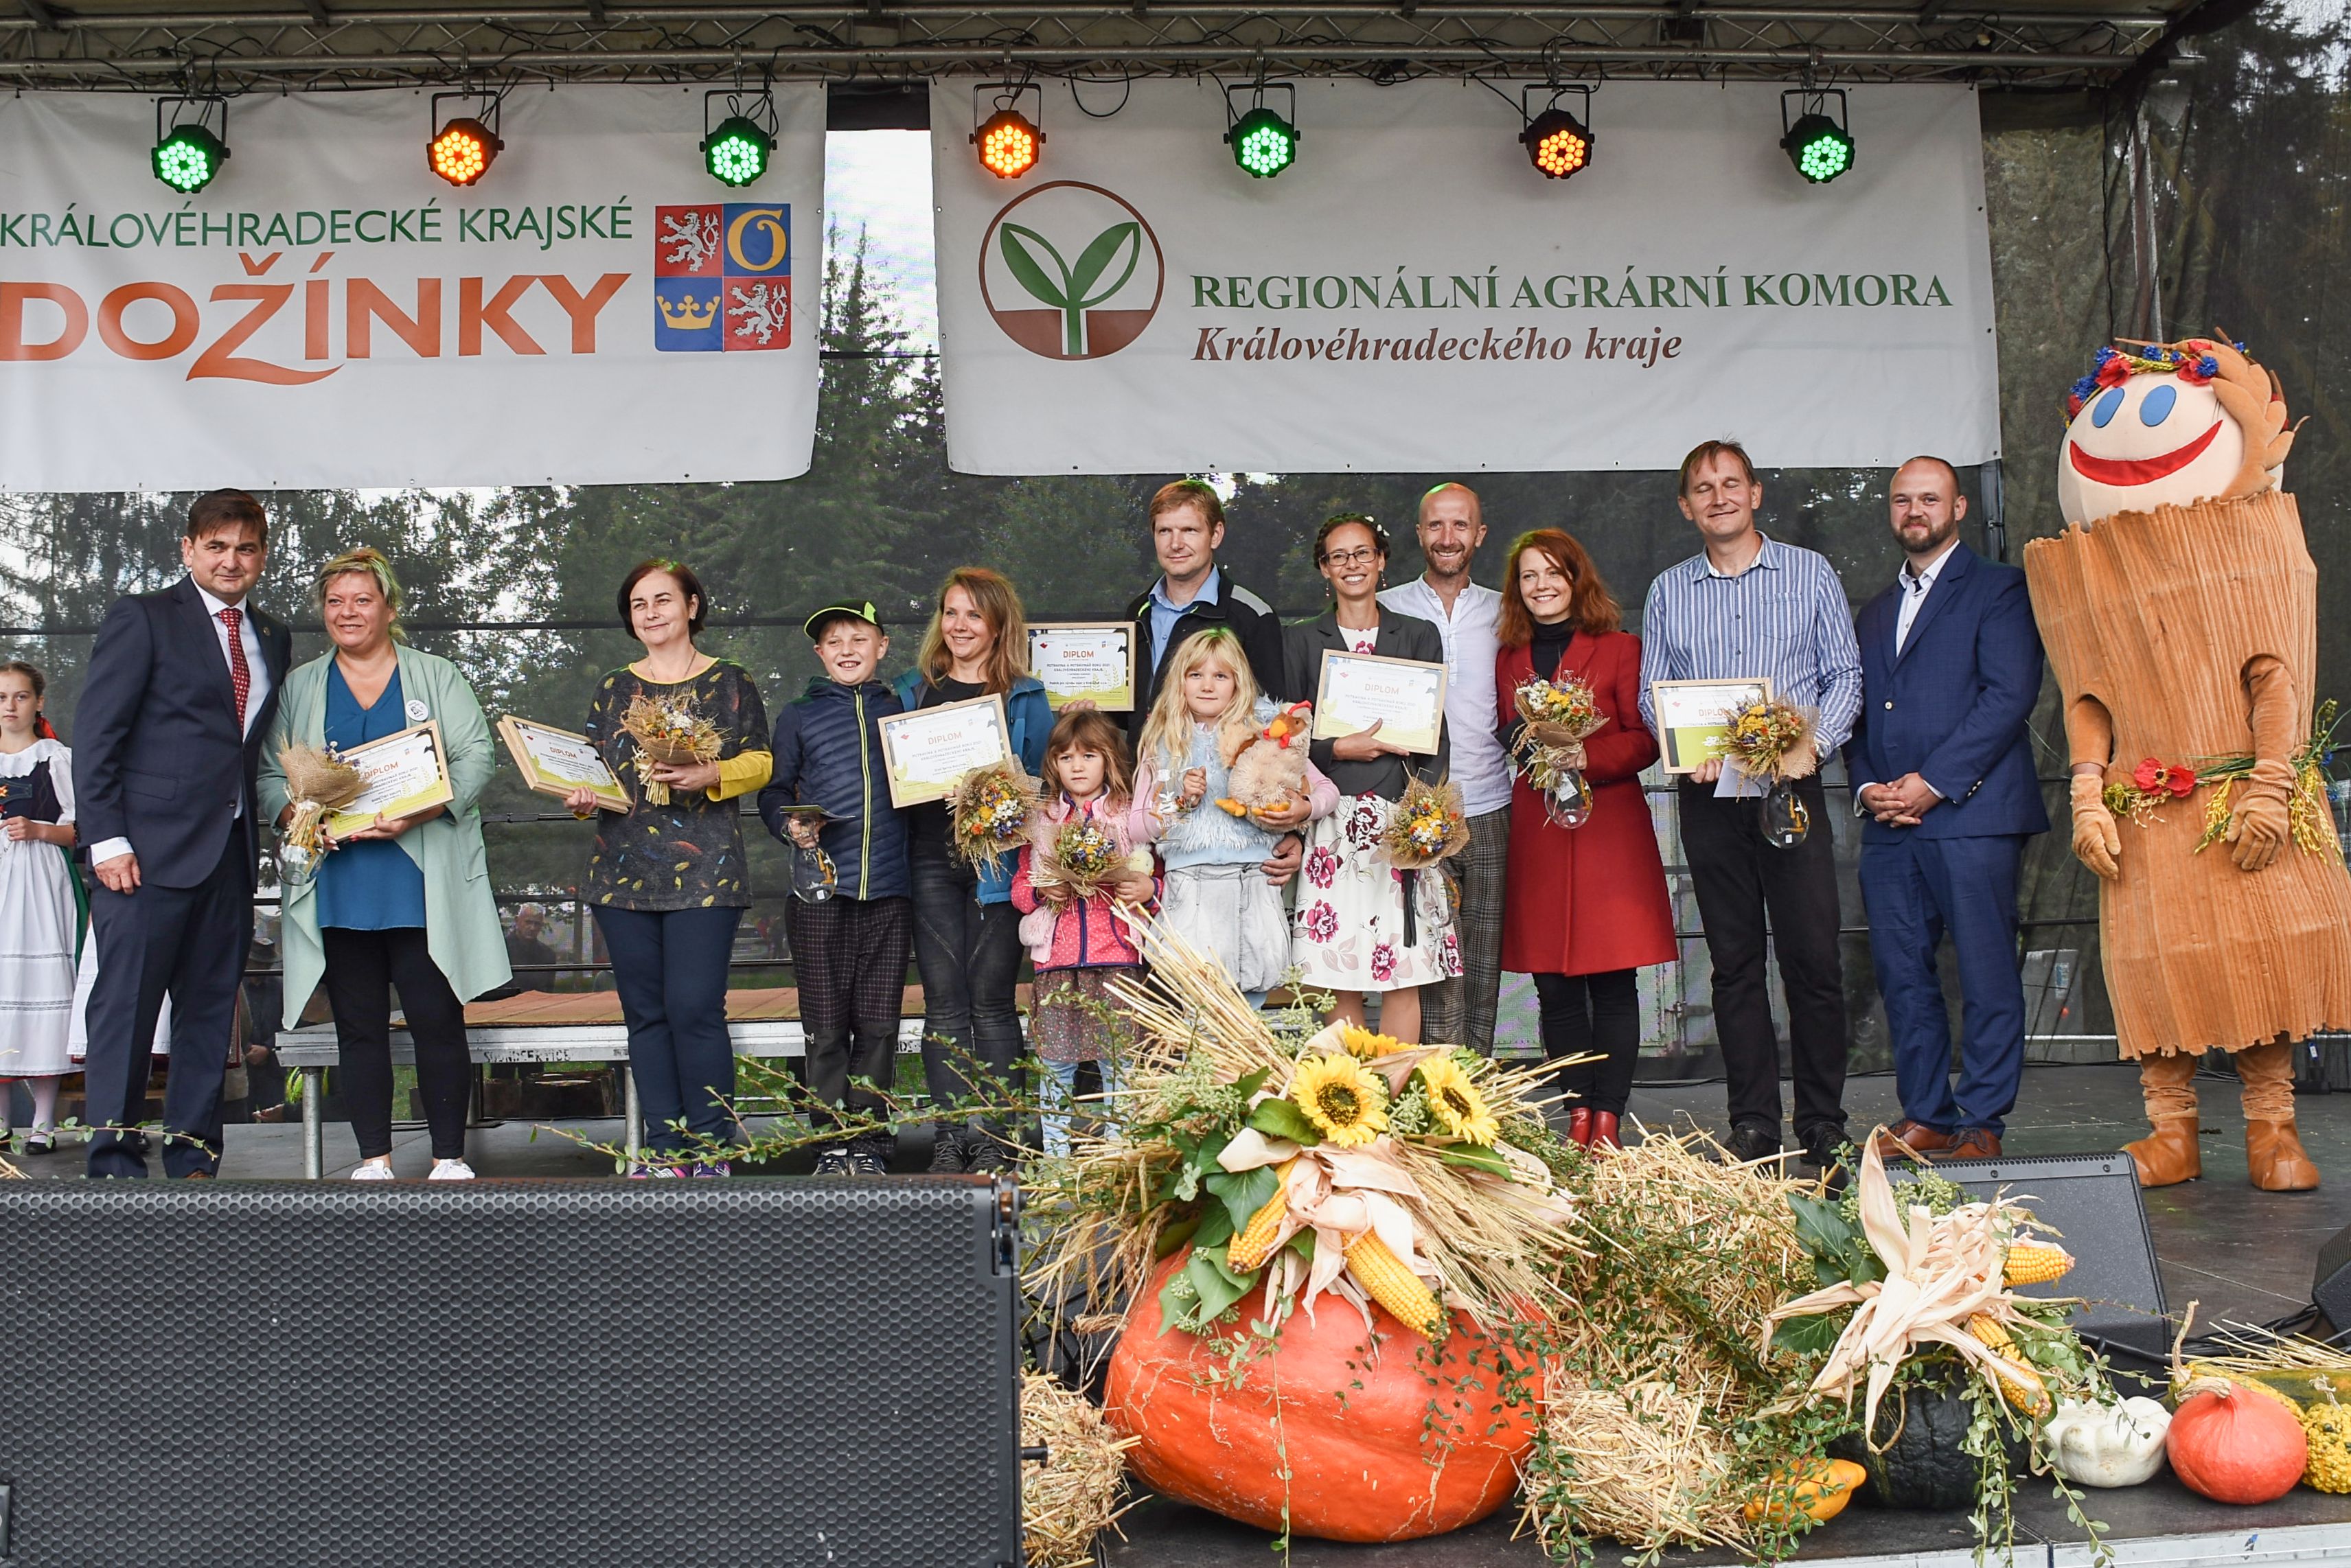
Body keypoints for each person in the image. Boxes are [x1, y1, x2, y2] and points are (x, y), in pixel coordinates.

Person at [1636, 440, 1863, 1175]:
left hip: (1788, 793)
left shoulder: (1809, 572)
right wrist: (1677, 746)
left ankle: (1824, 1122)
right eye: (1702, 488)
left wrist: (1813, 748)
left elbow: (1845, 676)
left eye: (1730, 483)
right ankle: (1755, 1125)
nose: (1718, 497)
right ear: (1685, 505)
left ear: (1755, 493)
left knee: (1811, 961)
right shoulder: (1668, 588)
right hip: (1708, 799)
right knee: (1733, 967)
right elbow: (1650, 693)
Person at [259, 548, 510, 1180]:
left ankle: (450, 1157)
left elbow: (477, 755)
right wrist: (295, 817)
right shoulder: (302, 685)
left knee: (436, 1021)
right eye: (335, 601)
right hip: (341, 881)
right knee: (359, 1029)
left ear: (389, 609)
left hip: (420, 879)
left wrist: (422, 812)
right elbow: (269, 774)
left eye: (362, 600)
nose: (348, 612)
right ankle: (374, 1158)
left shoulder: (437, 676)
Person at [75, 488, 292, 1179]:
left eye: (246, 548)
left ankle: (194, 1155)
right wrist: (106, 839)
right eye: (218, 546)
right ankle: (112, 1159)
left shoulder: (273, 637)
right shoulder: (142, 619)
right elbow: (97, 735)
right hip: (141, 856)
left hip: (229, 854)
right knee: (127, 1012)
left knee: (207, 1012)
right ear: (189, 550)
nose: (232, 560)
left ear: (262, 556)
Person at [1846, 459, 2049, 1164]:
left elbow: (2007, 697)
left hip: (1972, 815)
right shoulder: (1872, 611)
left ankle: (1982, 1120)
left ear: (1958, 506)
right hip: (1889, 826)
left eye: (1928, 498)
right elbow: (1858, 713)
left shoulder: (1999, 589)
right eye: (1902, 500)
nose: (1914, 511)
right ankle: (1927, 1114)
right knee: (1903, 976)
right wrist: (1869, 788)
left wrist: (1932, 782)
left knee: (1987, 973)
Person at [566, 560, 770, 1178]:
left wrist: (713, 775)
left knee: (694, 1009)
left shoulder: (730, 681)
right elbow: (592, 772)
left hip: (707, 873)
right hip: (621, 876)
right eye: (638, 604)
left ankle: (712, 1150)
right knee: (646, 1016)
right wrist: (579, 797)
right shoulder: (611, 688)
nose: (650, 612)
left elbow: (761, 762)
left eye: (662, 599)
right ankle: (665, 1149)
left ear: (692, 606)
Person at [1495, 532, 1675, 1149]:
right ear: (1516, 589)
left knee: (1613, 982)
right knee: (1554, 984)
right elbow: (1507, 734)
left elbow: (1646, 739)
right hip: (1540, 831)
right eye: (1527, 577)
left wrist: (1582, 754)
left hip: (1608, 832)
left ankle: (1608, 1119)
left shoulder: (1622, 648)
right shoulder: (1508, 655)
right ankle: (1576, 1114)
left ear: (1577, 578)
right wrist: (1528, 748)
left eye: (1553, 573)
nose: (1540, 585)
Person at [888, 568, 1053, 1174]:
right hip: (929, 860)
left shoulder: (1027, 697)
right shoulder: (911, 690)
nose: (960, 626)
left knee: (989, 1004)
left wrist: (1003, 792)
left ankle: (999, 1137)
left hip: (997, 866)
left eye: (973, 616)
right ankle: (950, 1137)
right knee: (943, 1005)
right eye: (951, 613)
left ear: (998, 626)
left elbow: (1041, 784)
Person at [1286, 515, 1458, 1041]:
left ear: (1382, 561)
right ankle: (1358, 1101)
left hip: (1399, 823)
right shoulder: (1299, 642)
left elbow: (1435, 735)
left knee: (1402, 974)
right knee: (1344, 977)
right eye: (1339, 556)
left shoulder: (1419, 635)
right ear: (1324, 568)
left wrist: (1422, 820)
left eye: (1362, 553)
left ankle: (1397, 1109)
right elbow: (1286, 741)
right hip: (1332, 820)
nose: (1352, 565)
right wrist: (1340, 746)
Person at [762, 599, 914, 1177]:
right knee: (826, 1025)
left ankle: (871, 1142)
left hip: (891, 891)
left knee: (878, 1025)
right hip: (819, 894)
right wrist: (790, 824)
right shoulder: (799, 714)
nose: (847, 649)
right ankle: (830, 1142)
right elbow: (774, 792)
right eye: (834, 641)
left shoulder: (903, 710)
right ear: (819, 653)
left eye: (859, 637)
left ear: (882, 645)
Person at [1381, 483, 1511, 1054]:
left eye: (1461, 526)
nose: (1448, 537)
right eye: (1436, 525)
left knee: (1483, 959)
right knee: (1429, 959)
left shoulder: (1508, 610)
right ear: (1419, 534)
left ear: (1480, 535)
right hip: (1415, 809)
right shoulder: (1390, 611)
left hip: (1490, 804)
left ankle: (1475, 1091)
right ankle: (1431, 1091)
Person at [1138, 627, 1335, 1000]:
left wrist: (1302, 809)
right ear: (1179, 680)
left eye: (1220, 676)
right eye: (1195, 674)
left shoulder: (1266, 731)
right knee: (1200, 1008)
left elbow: (1326, 791)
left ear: (1238, 681)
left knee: (1251, 1002)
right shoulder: (1165, 739)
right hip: (1191, 888)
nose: (1207, 686)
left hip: (1254, 880)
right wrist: (1179, 801)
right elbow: (1139, 825)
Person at [1009, 710, 1160, 1157]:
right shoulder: (1042, 820)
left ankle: (1118, 1160)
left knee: (1120, 1064)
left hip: (1118, 957)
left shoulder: (1130, 817)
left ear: (1109, 759)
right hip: (1057, 963)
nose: (1077, 766)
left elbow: (1158, 876)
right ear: (1053, 764)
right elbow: (1019, 886)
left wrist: (1148, 889)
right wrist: (1041, 889)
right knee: (1056, 1066)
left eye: (1089, 755)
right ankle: (1057, 1161)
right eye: (1066, 757)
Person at [0, 662, 79, 1155]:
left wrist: (39, 830)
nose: (10, 706)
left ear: (39, 702)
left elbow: (83, 829)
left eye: (20, 696)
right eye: (2, 697)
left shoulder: (58, 759)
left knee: (42, 991)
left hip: (41, 884)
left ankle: (44, 1123)